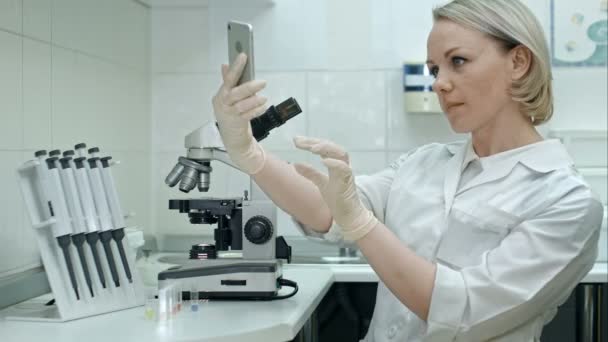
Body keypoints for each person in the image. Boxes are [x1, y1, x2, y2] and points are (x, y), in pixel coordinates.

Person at [211, 0, 604, 340]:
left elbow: (461, 312)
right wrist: (248, 153)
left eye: (458, 62)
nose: (439, 84)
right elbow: (327, 211)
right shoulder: (426, 162)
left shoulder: (565, 201)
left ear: (518, 61)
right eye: (435, 69)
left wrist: (362, 223)